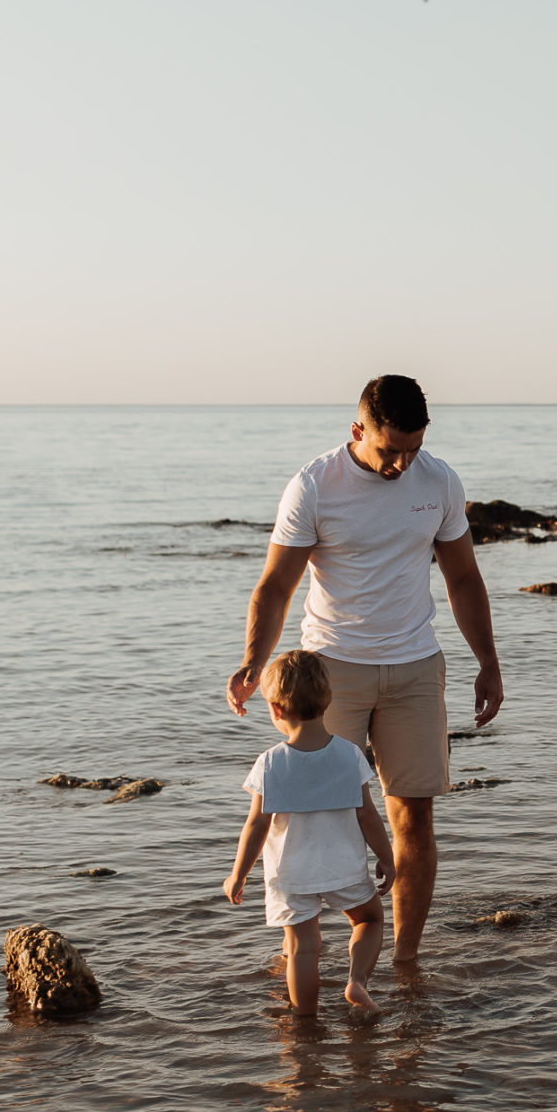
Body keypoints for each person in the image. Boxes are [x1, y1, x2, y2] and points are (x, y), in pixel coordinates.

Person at [227, 374, 503, 968]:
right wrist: (254, 660)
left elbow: (462, 578)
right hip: (330, 673)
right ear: (358, 430)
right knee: (312, 812)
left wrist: (488, 661)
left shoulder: (440, 480)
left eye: (413, 449)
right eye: (389, 450)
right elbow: (277, 586)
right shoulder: (314, 485)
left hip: (414, 668)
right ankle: (301, 954)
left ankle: (403, 962)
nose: (402, 464)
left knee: (414, 818)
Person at [222, 651, 396, 1015]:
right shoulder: (349, 755)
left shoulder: (270, 762)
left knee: (302, 945)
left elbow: (256, 824)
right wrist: (387, 855)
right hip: (342, 865)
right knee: (369, 920)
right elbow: (367, 814)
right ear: (328, 699)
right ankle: (357, 981)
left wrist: (239, 874)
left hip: (290, 873)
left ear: (275, 709)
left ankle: (305, 1026)